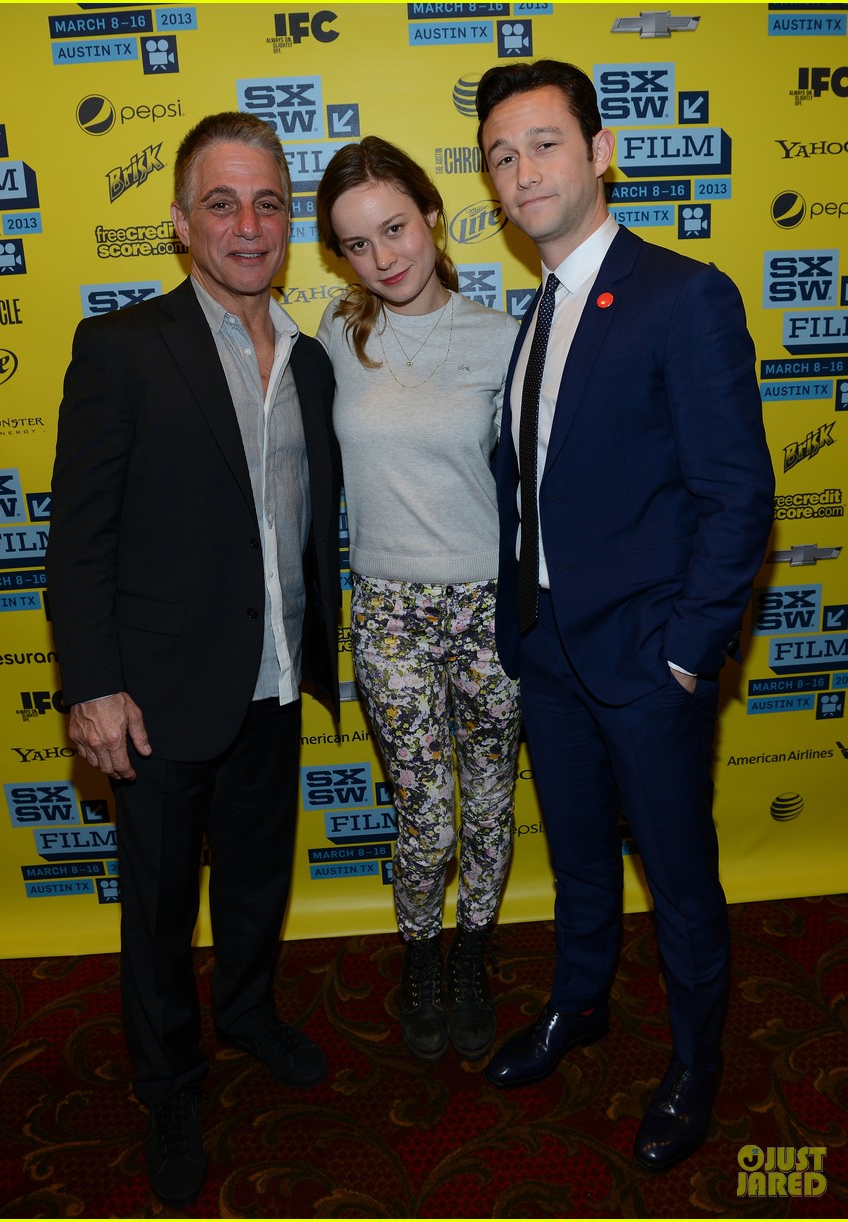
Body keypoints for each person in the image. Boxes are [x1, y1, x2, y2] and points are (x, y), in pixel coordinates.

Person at [474, 61, 775, 1171]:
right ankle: (580, 1002)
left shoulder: (682, 295)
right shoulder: (537, 308)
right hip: (548, 648)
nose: (523, 171)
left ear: (601, 152)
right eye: (502, 156)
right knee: (580, 862)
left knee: (680, 884)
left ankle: (696, 1063)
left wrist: (687, 656)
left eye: (545, 143)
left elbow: (737, 497)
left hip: (648, 662)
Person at [46, 112, 341, 1208]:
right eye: (222, 204)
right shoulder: (123, 347)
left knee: (258, 882)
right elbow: (79, 535)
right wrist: (92, 683)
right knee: (161, 908)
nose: (247, 225)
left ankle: (250, 1012)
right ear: (180, 222)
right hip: (159, 694)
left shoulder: (311, 362)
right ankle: (168, 1080)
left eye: (267, 204)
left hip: (275, 680)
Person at [314, 137, 522, 1064]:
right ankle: (419, 953)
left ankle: (472, 952)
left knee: (490, 800)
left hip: (488, 607)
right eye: (357, 244)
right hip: (389, 610)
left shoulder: (504, 339)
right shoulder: (335, 336)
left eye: (395, 228)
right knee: (426, 813)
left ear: (433, 217)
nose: (383, 257)